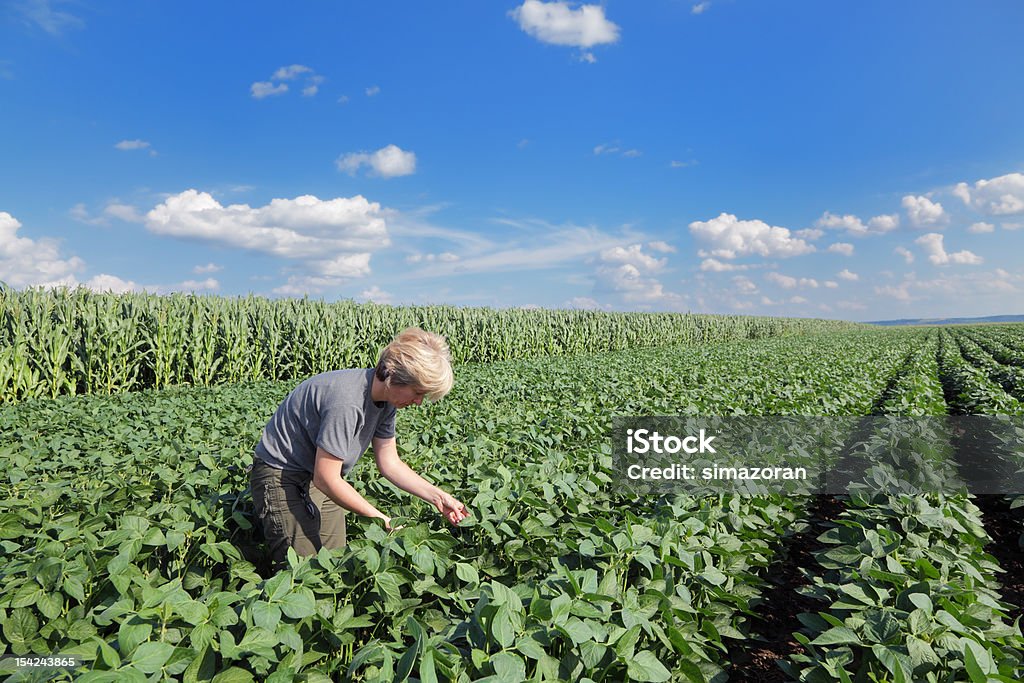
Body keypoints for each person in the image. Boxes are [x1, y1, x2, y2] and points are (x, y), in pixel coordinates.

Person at [250, 327, 469, 570]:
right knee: (303, 569)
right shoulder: (347, 401)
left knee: (335, 563)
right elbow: (326, 478)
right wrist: (382, 520)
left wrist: (439, 497)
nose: (418, 402)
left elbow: (390, 463)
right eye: (417, 392)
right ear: (394, 376)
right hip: (283, 477)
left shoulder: (386, 402)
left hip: (322, 476)